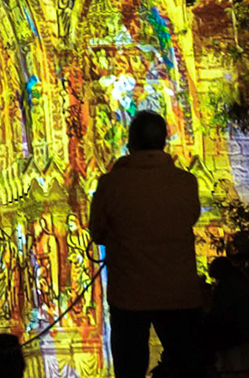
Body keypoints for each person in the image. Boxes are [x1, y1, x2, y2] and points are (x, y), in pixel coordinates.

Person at [89, 108, 207, 378]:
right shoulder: (186, 182)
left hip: (130, 294)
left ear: (130, 144)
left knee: (130, 367)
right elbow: (190, 218)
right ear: (164, 142)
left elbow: (97, 232)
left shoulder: (111, 183)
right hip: (179, 292)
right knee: (187, 365)